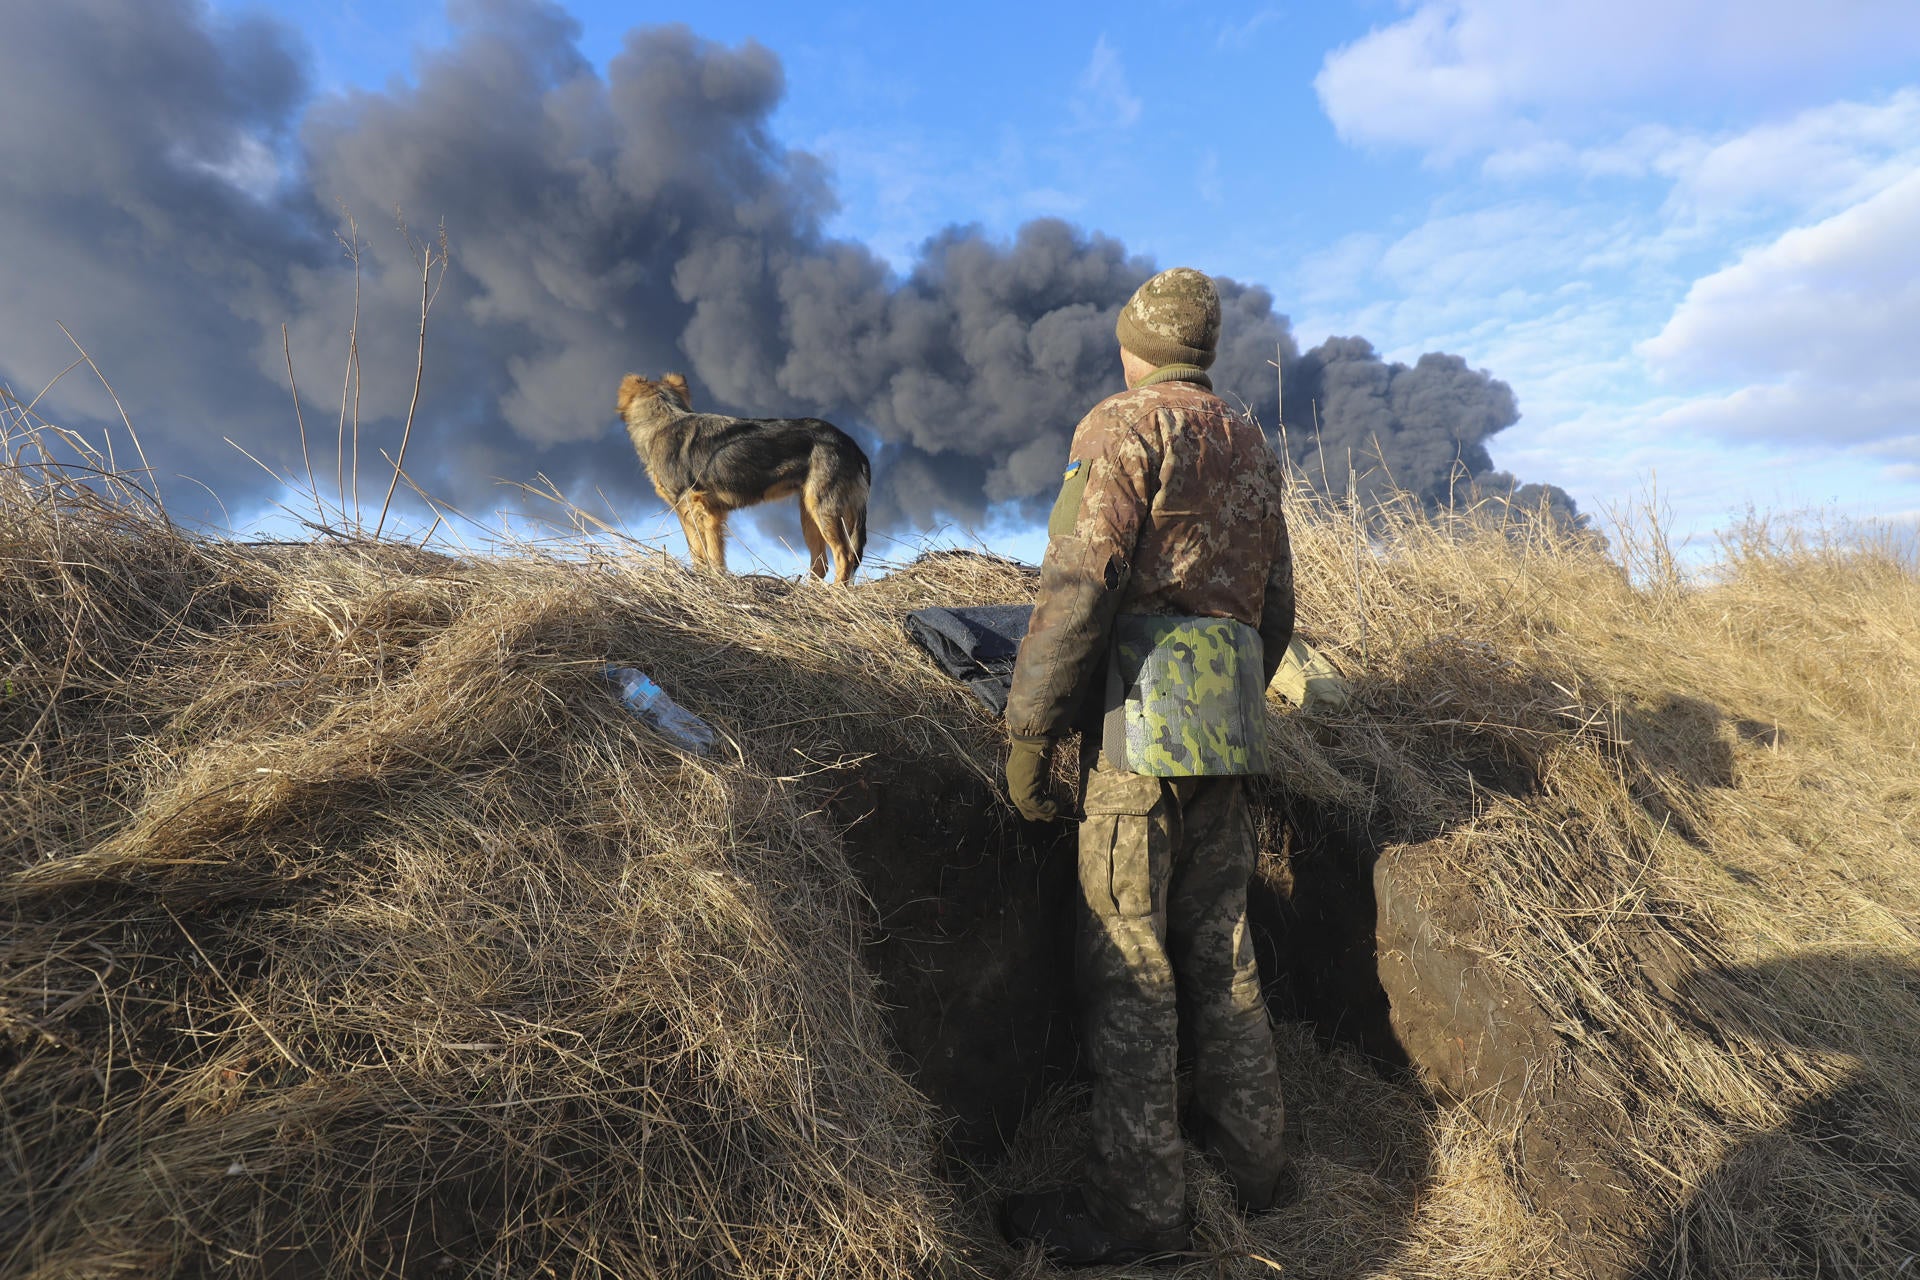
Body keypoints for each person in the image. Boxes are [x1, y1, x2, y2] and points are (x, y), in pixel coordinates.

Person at [1000, 267, 1296, 1266]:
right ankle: (1255, 1167)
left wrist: (1030, 735)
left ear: (1135, 345)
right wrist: (1235, 692)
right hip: (1230, 719)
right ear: (1204, 350)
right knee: (1221, 943)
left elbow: (1080, 586)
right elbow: (1277, 605)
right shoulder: (1250, 439)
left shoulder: (1122, 425)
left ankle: (1142, 1212)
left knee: (1129, 960)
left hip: (1140, 726)